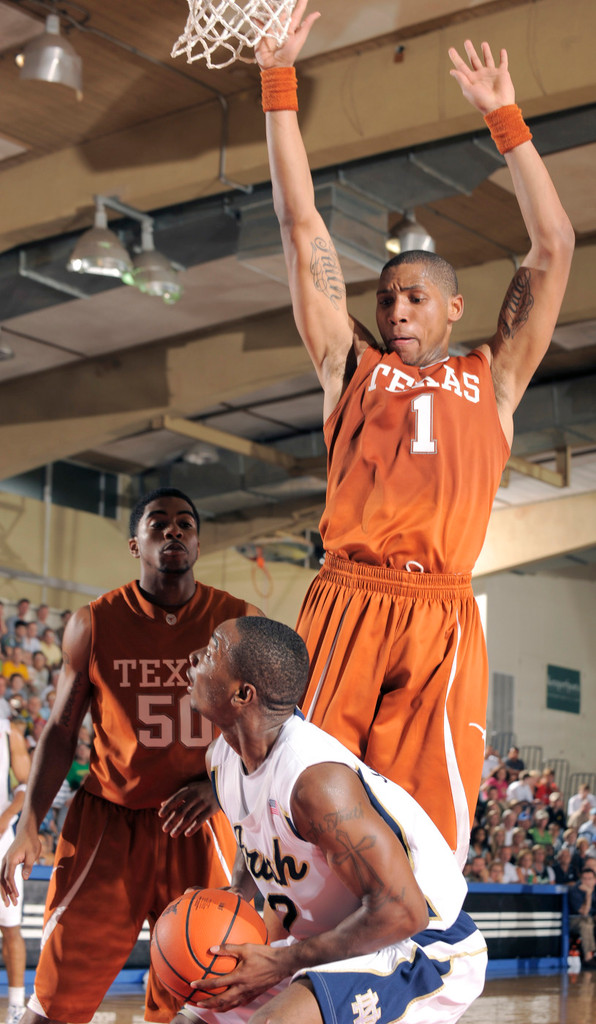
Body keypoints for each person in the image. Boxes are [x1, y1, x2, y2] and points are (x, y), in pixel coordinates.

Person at [255, 0, 574, 866]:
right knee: (305, 813)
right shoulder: (350, 367)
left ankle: (405, 980)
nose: (395, 311)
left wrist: (505, 122)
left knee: (423, 836)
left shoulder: (494, 375)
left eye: (414, 298)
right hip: (345, 598)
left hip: (441, 613)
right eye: (386, 298)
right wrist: (276, 84)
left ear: (453, 309)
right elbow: (300, 225)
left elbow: (552, 245)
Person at [0, 487, 262, 1024]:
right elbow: (58, 731)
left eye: (185, 523)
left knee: (208, 1006)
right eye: (158, 523)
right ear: (134, 544)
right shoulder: (93, 623)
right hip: (107, 827)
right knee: (53, 1005)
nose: (174, 531)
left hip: (201, 825)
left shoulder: (237, 621)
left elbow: (269, 728)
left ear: (196, 541)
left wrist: (217, 788)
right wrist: (28, 824)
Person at [181, 616, 486, 1024]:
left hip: (422, 944)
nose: (196, 656)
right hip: (335, 944)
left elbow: (402, 913)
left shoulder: (316, 784)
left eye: (213, 649)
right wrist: (235, 895)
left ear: (242, 694)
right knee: (193, 1018)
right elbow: (256, 832)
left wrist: (281, 961)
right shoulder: (221, 758)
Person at [0, 710, 31, 1024]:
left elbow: (26, 783)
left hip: (1, 840)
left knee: (10, 926)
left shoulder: (8, 732)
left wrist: (7, 815)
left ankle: (15, 1006)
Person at [568, 866, 596, 968]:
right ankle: (588, 957)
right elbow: (584, 912)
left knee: (588, 921)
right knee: (586, 923)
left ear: (595, 880)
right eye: (584, 879)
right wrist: (588, 894)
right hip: (574, 920)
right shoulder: (575, 890)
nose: (587, 882)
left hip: (590, 919)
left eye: (590, 879)